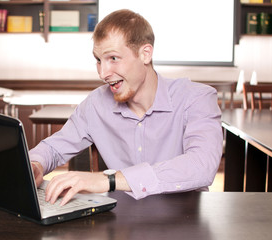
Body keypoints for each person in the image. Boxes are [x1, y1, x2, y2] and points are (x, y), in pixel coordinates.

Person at [29, 9, 223, 206]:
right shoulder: (96, 104)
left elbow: (201, 166)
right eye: (98, 60)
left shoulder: (196, 97)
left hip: (186, 224)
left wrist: (109, 180)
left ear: (145, 54)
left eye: (113, 58)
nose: (103, 73)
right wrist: (36, 164)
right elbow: (54, 148)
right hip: (121, 224)